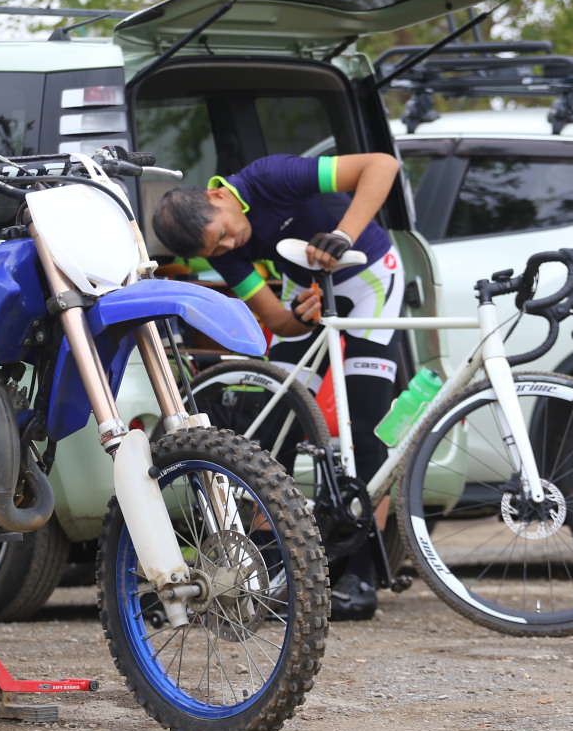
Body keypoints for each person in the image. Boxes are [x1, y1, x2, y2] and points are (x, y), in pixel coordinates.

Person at [152, 152, 404, 621]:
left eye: (224, 233)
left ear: (216, 195)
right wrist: (301, 316)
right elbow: (278, 320)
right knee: (274, 431)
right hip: (306, 288)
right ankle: (269, 564)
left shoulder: (268, 178)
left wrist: (342, 235)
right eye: (217, 250)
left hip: (370, 280)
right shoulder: (225, 251)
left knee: (365, 430)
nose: (230, 245)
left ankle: (363, 575)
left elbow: (382, 166)